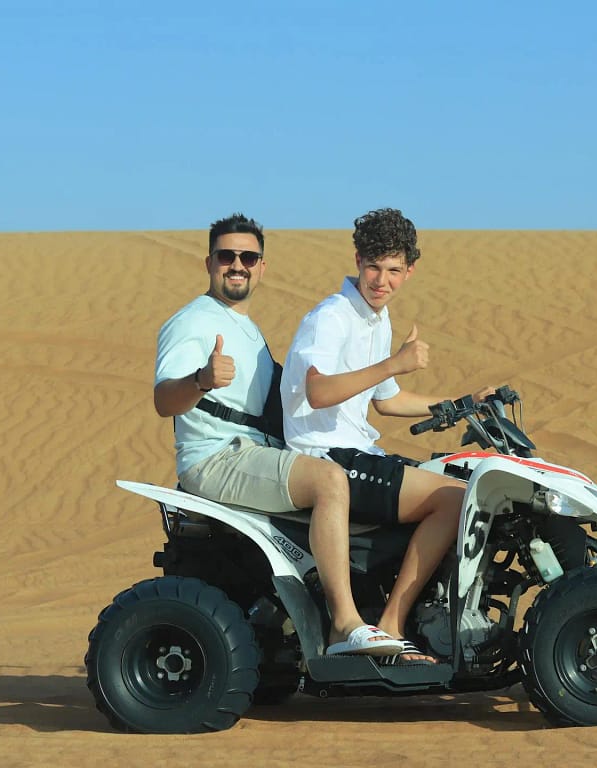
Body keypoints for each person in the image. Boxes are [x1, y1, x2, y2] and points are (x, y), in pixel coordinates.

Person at [152, 212, 402, 658]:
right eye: (227, 255)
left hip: (257, 453)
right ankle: (345, 624)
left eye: (248, 257)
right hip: (217, 458)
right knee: (329, 480)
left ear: (262, 267)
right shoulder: (190, 322)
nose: (237, 265)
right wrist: (200, 381)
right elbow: (163, 401)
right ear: (208, 262)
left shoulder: (246, 329)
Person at [280, 207, 493, 665]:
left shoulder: (378, 319)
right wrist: (394, 363)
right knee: (455, 500)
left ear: (410, 270)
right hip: (326, 455)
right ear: (357, 260)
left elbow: (387, 398)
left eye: (394, 270)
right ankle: (392, 626)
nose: (382, 280)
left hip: (359, 449)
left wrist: (460, 404)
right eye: (374, 267)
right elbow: (318, 392)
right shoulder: (332, 316)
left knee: (458, 480)